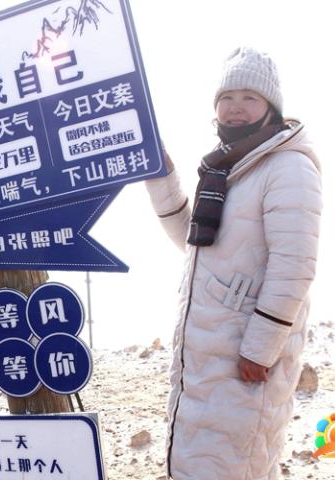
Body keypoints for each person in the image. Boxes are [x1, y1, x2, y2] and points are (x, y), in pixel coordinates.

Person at [145, 47, 322, 479]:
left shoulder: (288, 167)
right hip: (206, 354)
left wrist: (260, 349)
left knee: (236, 463)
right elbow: (195, 244)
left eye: (249, 97)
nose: (236, 107)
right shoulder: (229, 167)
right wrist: (162, 179)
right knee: (203, 461)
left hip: (245, 355)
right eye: (227, 97)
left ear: (270, 107)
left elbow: (294, 266)